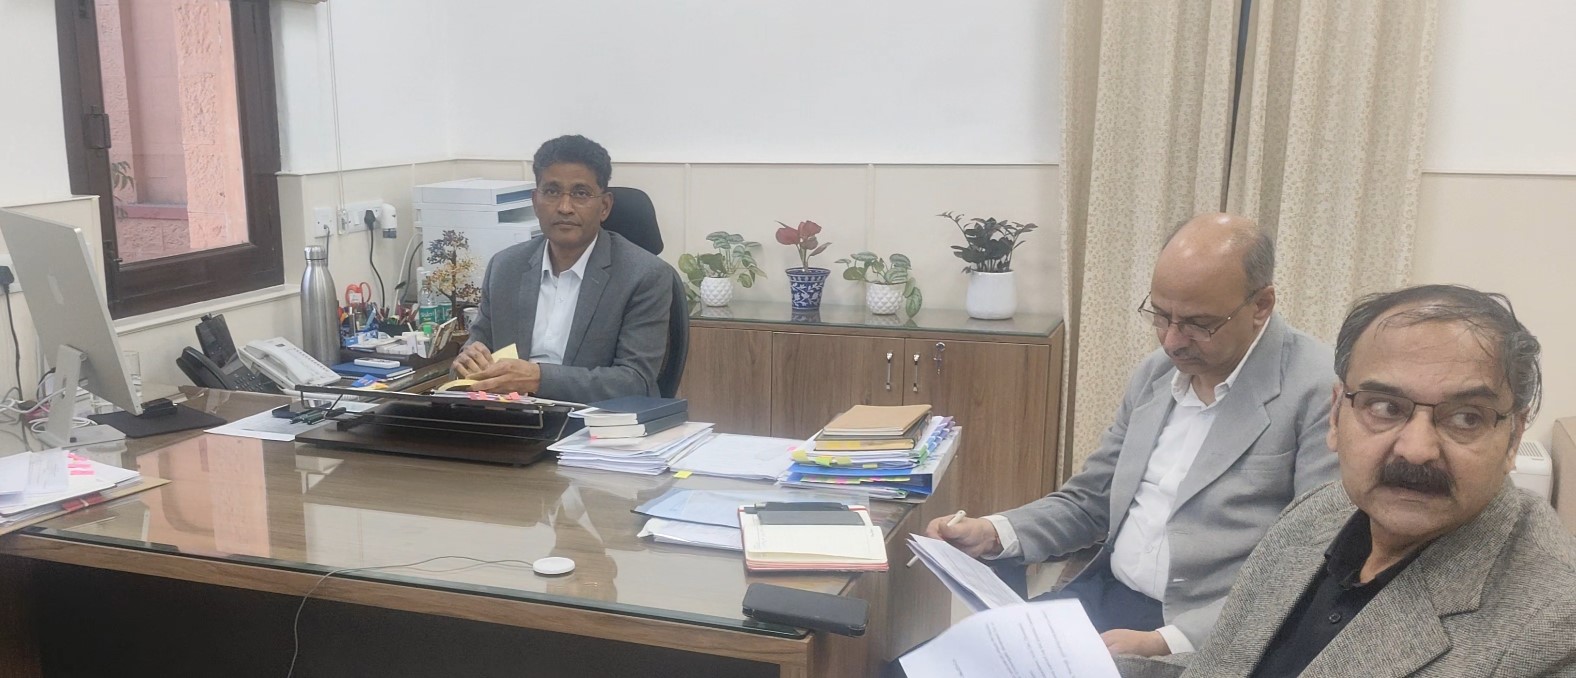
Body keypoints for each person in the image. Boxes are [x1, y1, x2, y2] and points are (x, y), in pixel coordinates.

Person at [927, 213, 1338, 656]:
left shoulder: (1319, 390)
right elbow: (1091, 500)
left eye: (1198, 324)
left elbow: (1310, 562)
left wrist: (1165, 643)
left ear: (1261, 305)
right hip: (1107, 596)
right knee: (925, 666)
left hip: (1206, 630)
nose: (1172, 341)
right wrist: (992, 532)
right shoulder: (1157, 374)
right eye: (1161, 315)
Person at [1118, 284, 1576, 678]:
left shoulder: (1554, 627)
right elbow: (1233, 664)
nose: (1416, 449)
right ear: (1336, 416)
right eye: (1385, 407)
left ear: (1513, 437)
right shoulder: (1318, 511)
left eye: (1465, 417)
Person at [455, 135, 673, 404]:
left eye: (580, 193)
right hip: (511, 417)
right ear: (535, 201)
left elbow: (635, 381)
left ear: (604, 206)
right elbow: (475, 353)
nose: (564, 207)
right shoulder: (505, 268)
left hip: (594, 421)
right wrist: (467, 363)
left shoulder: (644, 275)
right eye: (552, 192)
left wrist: (538, 379)